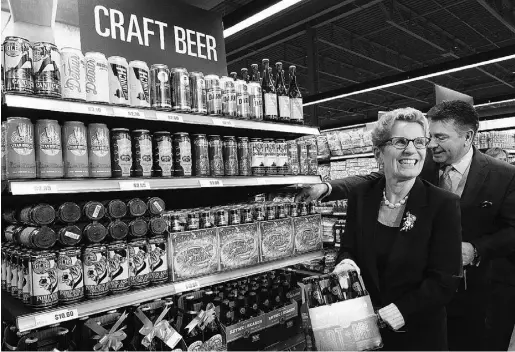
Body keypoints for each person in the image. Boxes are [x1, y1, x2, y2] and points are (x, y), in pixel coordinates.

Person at [297, 100, 515, 351]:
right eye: (428, 138)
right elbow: (378, 180)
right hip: (378, 322)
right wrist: (327, 188)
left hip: (475, 291)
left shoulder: (502, 176)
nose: (430, 145)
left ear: (468, 137)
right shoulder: (417, 166)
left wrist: (476, 249)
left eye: (438, 137)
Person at [333, 107, 462, 350]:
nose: (411, 150)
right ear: (378, 152)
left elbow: (445, 281)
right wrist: (346, 263)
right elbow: (348, 248)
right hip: (363, 333)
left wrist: (397, 311)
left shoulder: (443, 204)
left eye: (419, 142)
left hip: (418, 336)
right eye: (400, 141)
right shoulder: (361, 196)